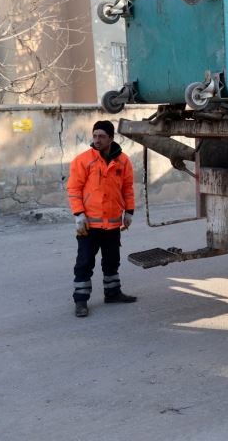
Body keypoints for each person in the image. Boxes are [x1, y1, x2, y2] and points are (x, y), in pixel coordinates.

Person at [67, 120, 137, 317]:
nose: (97, 140)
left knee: (112, 261)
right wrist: (79, 214)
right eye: (95, 135)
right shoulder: (83, 160)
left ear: (111, 138)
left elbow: (128, 188)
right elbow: (74, 189)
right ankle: (80, 301)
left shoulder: (123, 161)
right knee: (84, 263)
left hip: (113, 225)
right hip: (89, 224)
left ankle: (113, 293)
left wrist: (129, 212)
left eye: (102, 136)